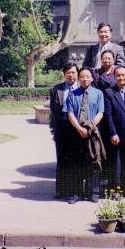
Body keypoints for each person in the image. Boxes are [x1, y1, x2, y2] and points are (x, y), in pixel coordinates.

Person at [66, 67, 106, 203]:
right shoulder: (72, 94)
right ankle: (76, 193)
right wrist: (79, 128)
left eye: (88, 76)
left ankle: (93, 192)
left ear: (92, 78)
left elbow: (100, 112)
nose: (85, 79)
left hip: (92, 132)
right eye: (82, 76)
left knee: (94, 161)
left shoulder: (98, 93)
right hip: (76, 133)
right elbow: (70, 113)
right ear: (79, 78)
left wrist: (90, 127)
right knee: (77, 163)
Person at [49, 62, 78, 199]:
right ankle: (61, 190)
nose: (71, 75)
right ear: (64, 74)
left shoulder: (82, 88)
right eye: (68, 73)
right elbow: (53, 111)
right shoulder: (56, 89)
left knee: (76, 161)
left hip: (78, 130)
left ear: (77, 73)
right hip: (62, 130)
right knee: (62, 160)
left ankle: (75, 191)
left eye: (73, 72)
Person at [103, 65, 125, 189]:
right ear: (114, 77)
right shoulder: (109, 92)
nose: (121, 78)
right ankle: (115, 189)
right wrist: (113, 133)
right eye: (118, 75)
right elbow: (108, 115)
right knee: (116, 162)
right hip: (116, 132)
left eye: (123, 75)